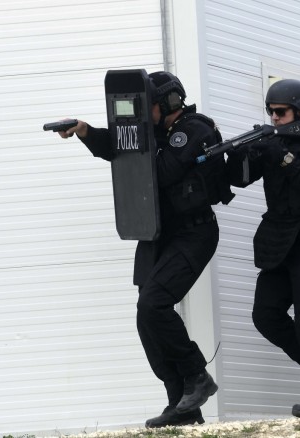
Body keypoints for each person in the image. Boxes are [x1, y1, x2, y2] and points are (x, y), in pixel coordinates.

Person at [59, 71, 234, 428]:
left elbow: (163, 170)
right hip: (158, 233)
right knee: (146, 317)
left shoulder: (194, 128)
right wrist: (86, 132)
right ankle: (182, 406)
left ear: (168, 102)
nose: (144, 111)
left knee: (154, 304)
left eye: (150, 104)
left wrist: (133, 143)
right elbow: (122, 148)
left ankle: (197, 375)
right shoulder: (153, 133)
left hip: (194, 233)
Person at [225, 78, 300, 417]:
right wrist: (240, 156)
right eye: (271, 112)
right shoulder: (274, 142)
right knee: (265, 316)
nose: (275, 118)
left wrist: (283, 157)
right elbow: (241, 178)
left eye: (280, 112)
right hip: (281, 242)